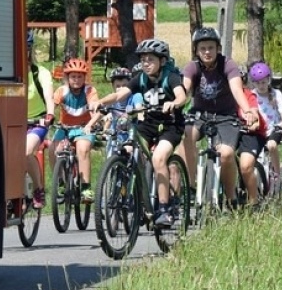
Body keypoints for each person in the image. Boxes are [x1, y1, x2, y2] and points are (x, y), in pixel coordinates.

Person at [95, 39, 188, 227]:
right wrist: (102, 102)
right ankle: (135, 198)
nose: (146, 63)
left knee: (159, 158)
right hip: (148, 123)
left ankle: (164, 208)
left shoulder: (171, 77)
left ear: (162, 61)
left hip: (170, 124)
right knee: (129, 149)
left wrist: (174, 104)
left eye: (150, 59)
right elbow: (120, 94)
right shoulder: (140, 78)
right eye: (143, 59)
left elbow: (181, 95)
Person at [181, 27, 262, 209]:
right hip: (200, 114)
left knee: (226, 154)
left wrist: (248, 110)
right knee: (187, 133)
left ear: (218, 48)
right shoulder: (192, 67)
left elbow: (236, 89)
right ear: (196, 50)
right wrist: (176, 100)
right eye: (203, 48)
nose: (207, 52)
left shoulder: (228, 65)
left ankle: (231, 196)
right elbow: (184, 88)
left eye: (211, 47)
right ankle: (191, 186)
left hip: (225, 116)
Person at [47, 58, 99, 202]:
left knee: (82, 149)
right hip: (65, 127)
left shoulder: (90, 90)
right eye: (73, 76)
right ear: (67, 77)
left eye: (80, 76)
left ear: (84, 77)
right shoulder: (62, 91)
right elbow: (52, 106)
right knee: (53, 150)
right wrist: (48, 118)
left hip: (84, 128)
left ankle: (86, 188)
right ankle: (61, 183)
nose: (76, 80)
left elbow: (96, 109)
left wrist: (90, 124)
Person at [247, 62, 282, 178]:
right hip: (258, 130)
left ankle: (277, 175)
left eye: (264, 82)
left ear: (269, 80)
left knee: (271, 145)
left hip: (274, 129)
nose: (261, 85)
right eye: (258, 83)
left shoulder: (276, 94)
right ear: (253, 83)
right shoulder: (252, 95)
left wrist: (280, 125)